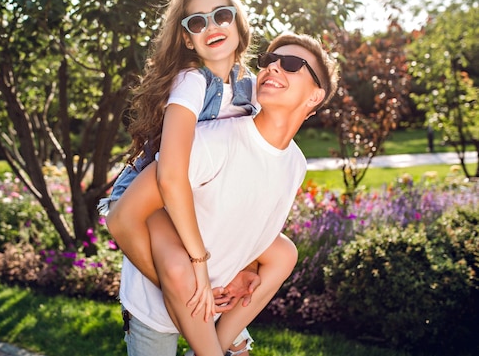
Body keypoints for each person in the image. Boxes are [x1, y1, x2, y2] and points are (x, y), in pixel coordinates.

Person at [107, 32, 339, 356]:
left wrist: (244, 272)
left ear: (316, 96)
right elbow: (123, 218)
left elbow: (252, 230)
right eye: (269, 61)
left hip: (212, 299)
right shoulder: (212, 142)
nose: (273, 68)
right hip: (153, 304)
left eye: (290, 64)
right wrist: (187, 290)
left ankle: (216, 342)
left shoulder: (295, 165)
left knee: (284, 253)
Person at [98, 0, 274, 355]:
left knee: (280, 256)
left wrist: (246, 267)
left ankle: (204, 313)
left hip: (196, 227)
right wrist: (198, 266)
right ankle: (199, 308)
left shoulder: (250, 87)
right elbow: (171, 175)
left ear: (239, 23)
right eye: (197, 22)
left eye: (221, 15)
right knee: (175, 296)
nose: (211, 27)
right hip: (152, 207)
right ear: (186, 38)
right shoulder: (192, 82)